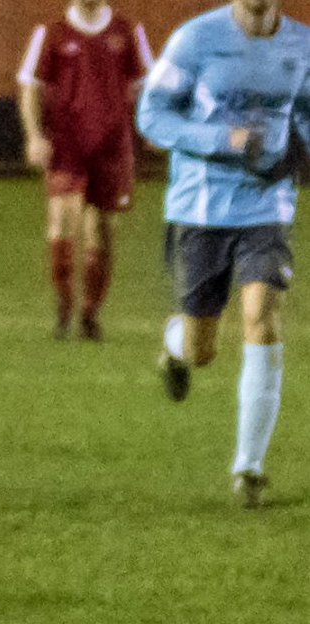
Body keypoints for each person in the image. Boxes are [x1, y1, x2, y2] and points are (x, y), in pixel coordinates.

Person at [139, 0, 310, 509]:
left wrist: (298, 150)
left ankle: (249, 468)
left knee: (263, 317)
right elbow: (152, 115)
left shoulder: (302, 45)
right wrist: (221, 139)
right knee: (202, 350)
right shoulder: (195, 39)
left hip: (267, 205)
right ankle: (176, 345)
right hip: (201, 207)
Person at [17, 0, 153, 340]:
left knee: (101, 229)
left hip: (111, 146)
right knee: (61, 221)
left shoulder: (127, 31)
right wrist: (34, 135)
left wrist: (151, 126)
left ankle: (90, 313)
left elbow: (148, 83)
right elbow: (30, 85)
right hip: (66, 145)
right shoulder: (51, 32)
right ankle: (64, 306)